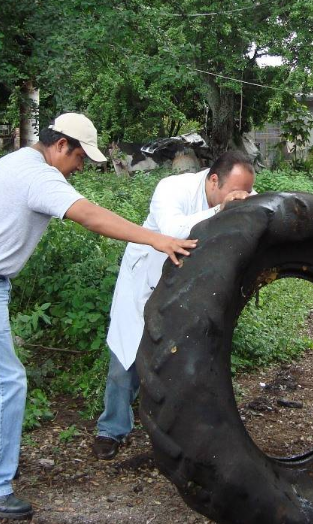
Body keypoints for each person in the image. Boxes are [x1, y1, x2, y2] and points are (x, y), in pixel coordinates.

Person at [0, 113, 197, 520]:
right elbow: (90, 215)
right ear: (61, 145)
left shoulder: (18, 162)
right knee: (3, 382)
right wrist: (157, 239)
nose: (80, 167)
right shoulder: (38, 175)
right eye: (79, 158)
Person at [91, 150, 256, 460]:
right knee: (125, 360)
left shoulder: (240, 194)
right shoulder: (171, 188)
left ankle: (179, 432)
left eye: (247, 191)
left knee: (184, 358)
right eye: (237, 191)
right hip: (146, 278)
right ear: (214, 180)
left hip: (188, 285)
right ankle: (111, 429)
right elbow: (174, 231)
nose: (243, 197)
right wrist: (222, 208)